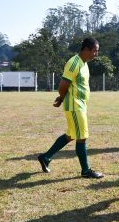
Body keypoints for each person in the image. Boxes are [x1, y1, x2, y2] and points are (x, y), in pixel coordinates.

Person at [37, 37, 103, 179]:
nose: (96, 54)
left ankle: (46, 157)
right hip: (75, 106)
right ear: (85, 49)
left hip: (80, 105)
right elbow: (63, 85)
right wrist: (61, 98)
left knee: (71, 135)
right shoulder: (74, 63)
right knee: (82, 137)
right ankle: (86, 170)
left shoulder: (84, 64)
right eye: (94, 51)